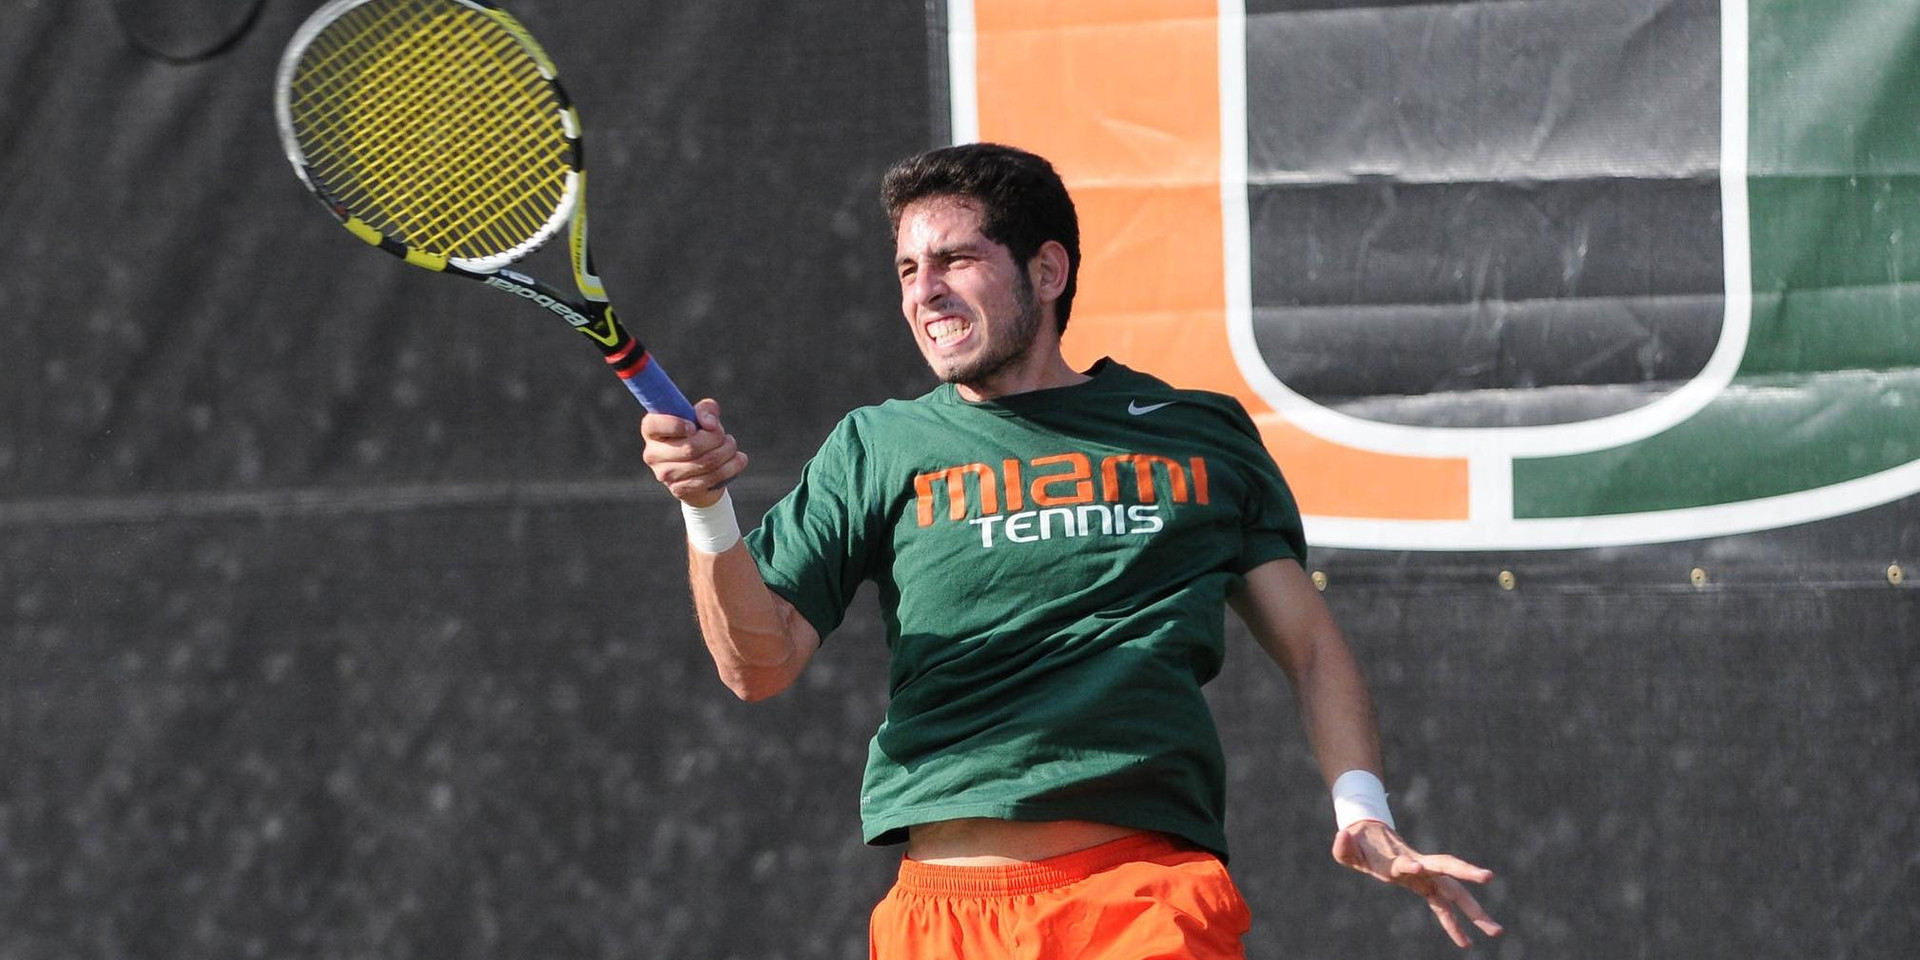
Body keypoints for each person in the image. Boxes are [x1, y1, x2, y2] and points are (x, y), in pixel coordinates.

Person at [641, 142, 1502, 958]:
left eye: (955, 260)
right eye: (908, 269)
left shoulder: (1198, 436)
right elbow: (759, 664)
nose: (925, 292)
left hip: (1142, 904)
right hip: (941, 916)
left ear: (1046, 271)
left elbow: (1312, 648)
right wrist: (706, 508)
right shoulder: (878, 446)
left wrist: (1363, 809)